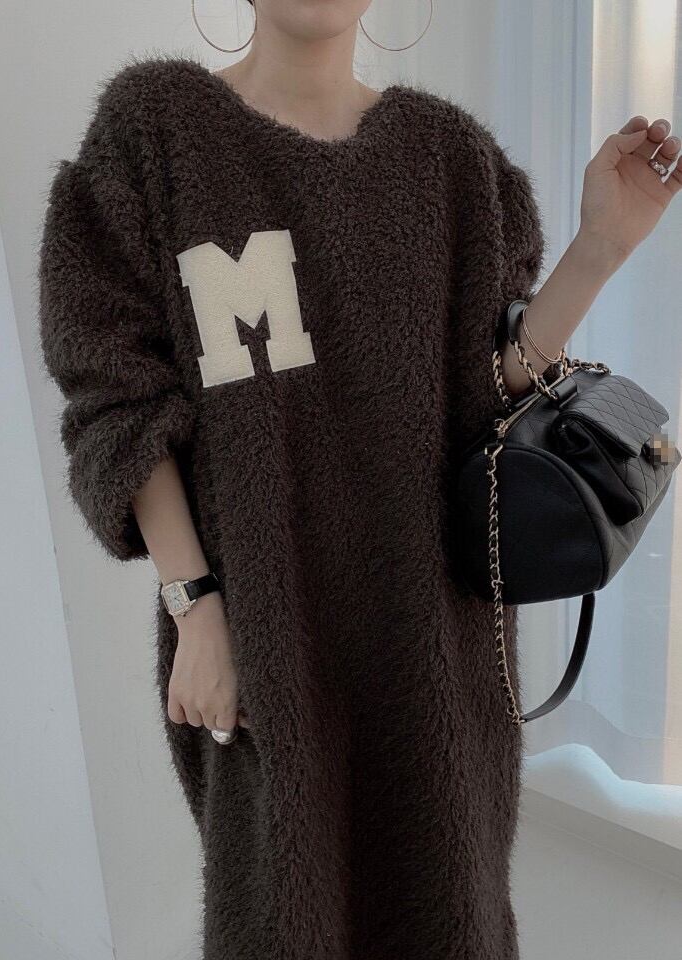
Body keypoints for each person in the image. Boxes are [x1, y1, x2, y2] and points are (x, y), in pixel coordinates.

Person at [37, 1, 681, 956]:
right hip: (266, 634)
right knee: (281, 917)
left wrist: (601, 249)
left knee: (444, 912)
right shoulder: (156, 133)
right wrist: (193, 606)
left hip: (435, 642)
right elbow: (116, 390)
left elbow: (487, 397)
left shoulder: (450, 158)